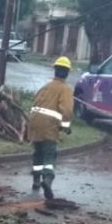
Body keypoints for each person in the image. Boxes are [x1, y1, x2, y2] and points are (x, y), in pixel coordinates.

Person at [27, 56, 74, 200]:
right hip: (49, 126)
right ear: (66, 73)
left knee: (38, 152)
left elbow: (34, 101)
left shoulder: (45, 86)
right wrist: (65, 127)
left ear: (55, 71)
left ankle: (36, 181)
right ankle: (47, 180)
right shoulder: (65, 89)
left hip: (35, 123)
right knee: (49, 154)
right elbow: (66, 110)